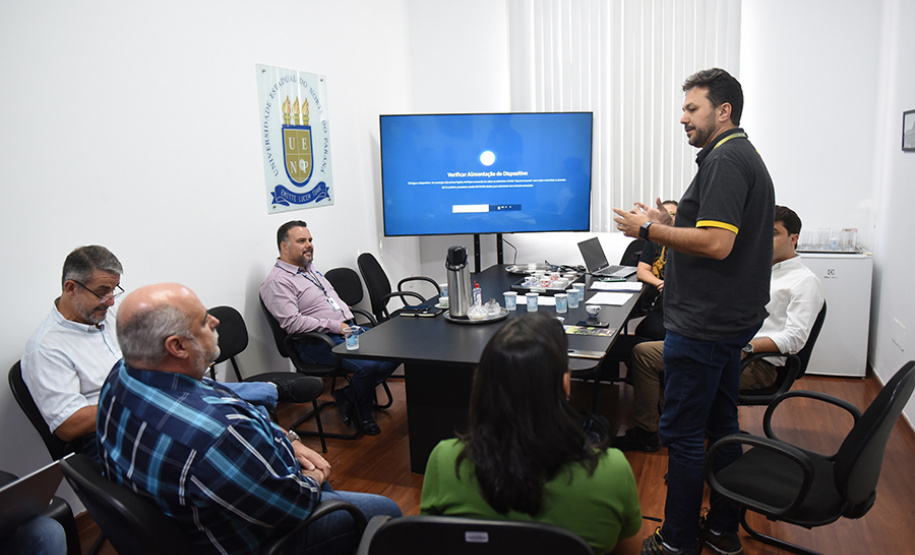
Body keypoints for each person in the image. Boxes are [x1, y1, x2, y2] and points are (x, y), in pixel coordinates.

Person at [97, 283, 402, 555]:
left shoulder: (122, 376)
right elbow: (293, 505)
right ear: (176, 347)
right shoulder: (218, 435)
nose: (214, 321)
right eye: (204, 321)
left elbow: (214, 395)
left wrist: (291, 441)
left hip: (185, 516)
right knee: (383, 512)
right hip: (250, 540)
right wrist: (314, 478)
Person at [613, 68, 775, 555]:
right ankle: (723, 530)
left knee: (682, 436)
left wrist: (647, 231)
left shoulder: (726, 160)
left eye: (691, 108)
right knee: (722, 428)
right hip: (727, 322)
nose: (682, 118)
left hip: (704, 326)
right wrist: (671, 220)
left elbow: (717, 244)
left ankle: (677, 540)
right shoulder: (736, 155)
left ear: (723, 111)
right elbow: (710, 229)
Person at [22, 246, 305, 463]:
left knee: (242, 412)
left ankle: (271, 419)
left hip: (154, 402)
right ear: (71, 287)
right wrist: (145, 397)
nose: (109, 300)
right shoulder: (47, 348)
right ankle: (271, 428)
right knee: (222, 433)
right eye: (101, 292)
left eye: (113, 290)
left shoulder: (109, 317)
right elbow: (68, 426)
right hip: (114, 432)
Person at [419, 313, 642, 554]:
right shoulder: (612, 472)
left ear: (481, 384)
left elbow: (430, 543)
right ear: (565, 385)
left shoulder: (444, 461)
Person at [614, 205, 825, 453]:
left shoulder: (804, 281)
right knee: (644, 352)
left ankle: (668, 432)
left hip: (757, 364)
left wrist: (746, 346)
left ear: (794, 239)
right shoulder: (757, 270)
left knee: (662, 362)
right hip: (722, 346)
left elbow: (795, 337)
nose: (763, 239)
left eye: (774, 233)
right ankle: (658, 427)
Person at [260, 221, 398, 436]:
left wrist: (341, 310)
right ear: (284, 247)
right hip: (315, 343)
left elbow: (322, 300)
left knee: (396, 349)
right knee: (369, 366)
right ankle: (363, 416)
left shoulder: (308, 268)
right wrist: (335, 324)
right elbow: (293, 324)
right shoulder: (277, 283)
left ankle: (350, 395)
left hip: (344, 330)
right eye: (301, 241)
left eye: (310, 240)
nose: (309, 245)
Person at [633, 200, 678, 340]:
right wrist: (659, 283)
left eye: (674, 215)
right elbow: (642, 271)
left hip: (677, 305)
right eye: (666, 215)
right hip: (660, 302)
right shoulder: (654, 240)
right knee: (644, 330)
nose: (670, 219)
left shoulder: (683, 241)